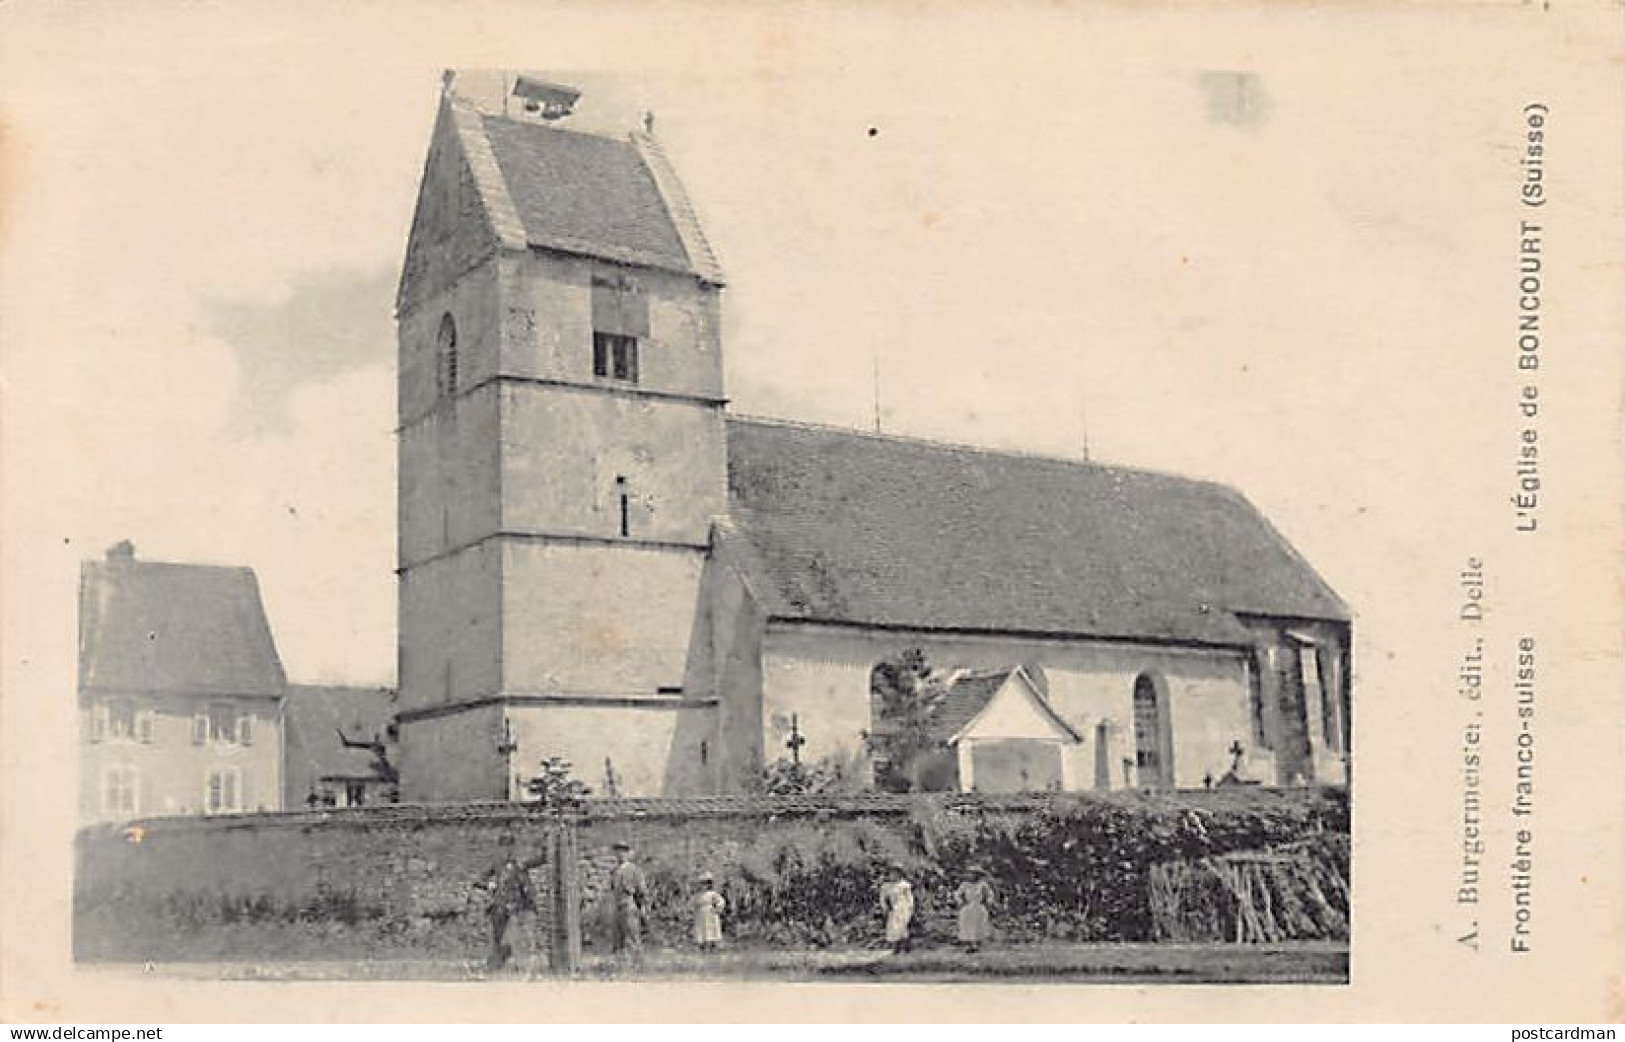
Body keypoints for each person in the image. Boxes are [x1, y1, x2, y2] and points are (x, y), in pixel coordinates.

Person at [483, 832, 537, 972]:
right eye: (504, 846)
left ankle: (516, 965)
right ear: (500, 847)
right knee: (498, 937)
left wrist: (529, 899)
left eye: (509, 846)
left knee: (514, 937)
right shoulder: (496, 864)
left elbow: (526, 884)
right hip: (500, 905)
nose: (507, 850)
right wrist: (490, 885)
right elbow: (480, 878)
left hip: (517, 906)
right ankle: (494, 965)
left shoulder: (519, 864)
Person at [609, 841, 648, 960]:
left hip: (629, 904)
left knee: (632, 934)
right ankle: (620, 961)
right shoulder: (615, 871)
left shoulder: (634, 869)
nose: (620, 854)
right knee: (617, 935)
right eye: (618, 851)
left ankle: (637, 961)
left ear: (628, 853)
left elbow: (641, 889)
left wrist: (642, 907)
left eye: (623, 851)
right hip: (617, 905)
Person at [955, 866, 995, 953]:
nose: (971, 875)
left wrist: (988, 902)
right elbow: (957, 894)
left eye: (973, 874)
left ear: (977, 875)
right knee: (967, 924)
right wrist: (961, 902)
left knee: (977, 924)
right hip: (968, 906)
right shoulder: (964, 884)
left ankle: (975, 944)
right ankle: (968, 944)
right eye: (970, 873)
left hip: (978, 906)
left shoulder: (982, 885)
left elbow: (990, 895)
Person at [878, 862, 916, 954]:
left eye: (896, 873)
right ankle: (896, 948)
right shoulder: (886, 886)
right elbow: (882, 898)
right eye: (891, 873)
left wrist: (910, 907)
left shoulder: (904, 885)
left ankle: (907, 947)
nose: (893, 875)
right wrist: (885, 907)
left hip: (904, 908)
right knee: (894, 928)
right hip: (894, 909)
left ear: (900, 874)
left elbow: (909, 898)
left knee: (903, 927)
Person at [691, 871, 726, 951]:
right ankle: (702, 945)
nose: (704, 886)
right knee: (701, 930)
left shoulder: (712, 894)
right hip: (700, 915)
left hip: (710, 913)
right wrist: (694, 910)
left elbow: (721, 901)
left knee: (711, 929)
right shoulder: (698, 895)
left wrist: (716, 909)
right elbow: (692, 903)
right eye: (702, 884)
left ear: (709, 885)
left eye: (706, 884)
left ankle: (712, 946)